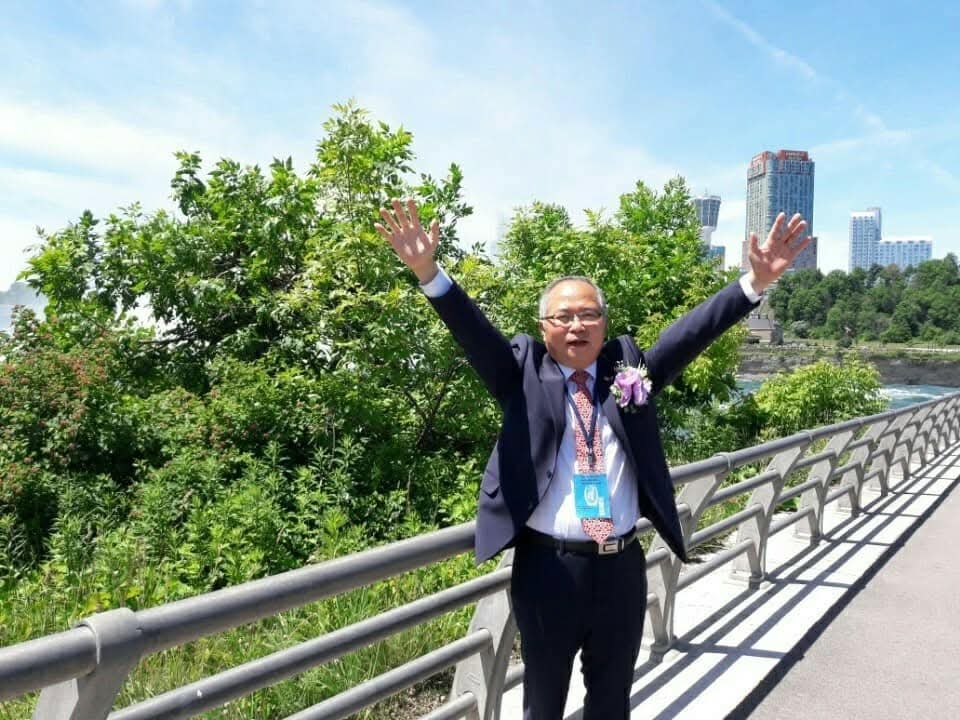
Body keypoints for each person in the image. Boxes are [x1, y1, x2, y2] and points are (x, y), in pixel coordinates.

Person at [376, 199, 810, 719]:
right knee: (543, 705)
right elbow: (475, 334)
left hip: (621, 568)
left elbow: (691, 334)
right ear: (544, 327)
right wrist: (428, 272)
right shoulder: (522, 374)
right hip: (547, 571)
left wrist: (754, 282)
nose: (576, 326)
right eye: (563, 317)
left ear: (604, 324)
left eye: (589, 315)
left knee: (611, 704)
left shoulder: (628, 372)